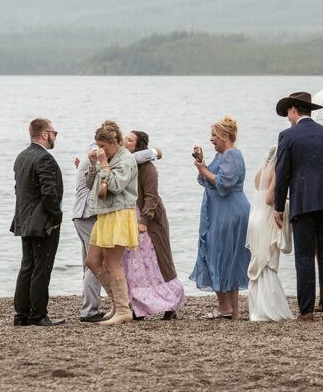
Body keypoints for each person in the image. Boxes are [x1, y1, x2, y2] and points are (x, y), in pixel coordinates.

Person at [72, 143, 162, 322]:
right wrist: (154, 152)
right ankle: (94, 309)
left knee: (96, 262)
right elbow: (101, 182)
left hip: (92, 214)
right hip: (89, 213)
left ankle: (116, 307)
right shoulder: (101, 157)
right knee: (95, 262)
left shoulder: (109, 157)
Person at [272, 91, 323, 322]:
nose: (287, 118)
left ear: (293, 110)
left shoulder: (288, 136)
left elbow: (282, 174)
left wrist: (278, 207)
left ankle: (306, 310)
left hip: (303, 202)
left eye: (288, 113)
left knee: (304, 256)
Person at [189, 116, 251, 319]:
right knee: (218, 254)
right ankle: (227, 307)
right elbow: (206, 181)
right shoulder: (222, 155)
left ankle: (227, 307)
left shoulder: (232, 155)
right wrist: (202, 164)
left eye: (214, 135)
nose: (211, 139)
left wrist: (204, 170)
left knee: (223, 254)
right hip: (218, 210)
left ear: (225, 136)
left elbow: (224, 183)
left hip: (230, 211)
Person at [121, 130, 186, 320]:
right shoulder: (127, 164)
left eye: (130, 140)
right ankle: (138, 305)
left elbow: (152, 197)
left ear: (139, 145)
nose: (126, 141)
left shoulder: (147, 168)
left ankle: (170, 304)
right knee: (133, 262)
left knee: (155, 261)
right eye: (125, 138)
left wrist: (145, 221)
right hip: (130, 216)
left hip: (148, 220)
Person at [10, 118, 65, 327]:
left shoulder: (22, 156)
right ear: (44, 134)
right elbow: (49, 192)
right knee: (42, 267)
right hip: (43, 222)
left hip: (24, 219)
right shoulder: (44, 159)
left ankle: (21, 314)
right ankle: (38, 315)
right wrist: (56, 217)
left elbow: (19, 190)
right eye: (54, 133)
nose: (55, 137)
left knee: (27, 266)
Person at [84, 120, 139, 326]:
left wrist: (104, 164)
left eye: (103, 146)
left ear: (114, 142)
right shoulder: (108, 157)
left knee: (111, 263)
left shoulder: (126, 159)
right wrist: (93, 165)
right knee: (93, 261)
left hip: (119, 213)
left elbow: (115, 186)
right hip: (105, 213)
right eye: (98, 146)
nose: (100, 150)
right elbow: (90, 184)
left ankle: (124, 310)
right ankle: (118, 304)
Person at [245, 146, 293, 321]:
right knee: (268, 261)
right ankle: (268, 308)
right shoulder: (276, 171)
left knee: (259, 260)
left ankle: (257, 306)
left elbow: (260, 193)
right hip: (266, 219)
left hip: (255, 220)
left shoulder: (261, 172)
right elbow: (269, 199)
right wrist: (285, 198)